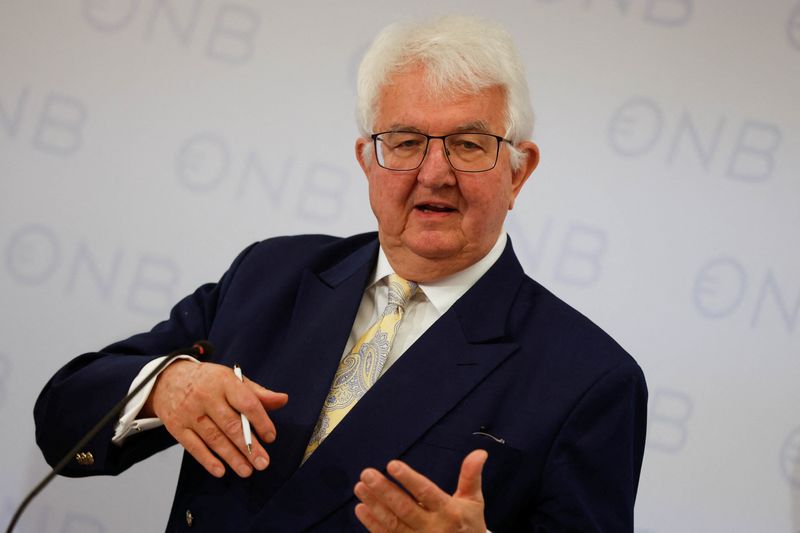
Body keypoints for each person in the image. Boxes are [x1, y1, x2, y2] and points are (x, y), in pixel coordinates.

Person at [34, 15, 647, 532]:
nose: (434, 173)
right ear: (366, 161)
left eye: (467, 144)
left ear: (518, 171)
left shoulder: (591, 380)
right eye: (405, 141)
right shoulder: (270, 274)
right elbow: (62, 417)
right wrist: (166, 384)